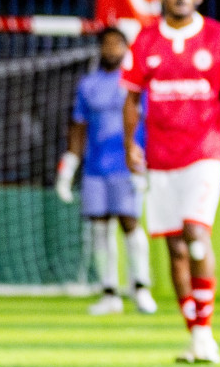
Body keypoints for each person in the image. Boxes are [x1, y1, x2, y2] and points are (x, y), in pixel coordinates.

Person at [121, 0, 220, 364]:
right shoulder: (146, 41)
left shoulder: (219, 38)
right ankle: (195, 333)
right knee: (175, 251)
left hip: (205, 153)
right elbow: (131, 99)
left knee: (196, 236)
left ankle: (204, 331)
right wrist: (132, 143)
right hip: (160, 159)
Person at [56, 27, 157, 316]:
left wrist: (146, 164)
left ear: (127, 48)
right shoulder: (88, 85)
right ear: (100, 48)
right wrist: (69, 165)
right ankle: (109, 291)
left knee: (130, 224)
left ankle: (140, 287)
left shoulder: (135, 84)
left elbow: (149, 124)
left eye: (118, 43)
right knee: (99, 227)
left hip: (127, 166)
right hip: (95, 168)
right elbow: (78, 125)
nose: (112, 49)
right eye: (107, 44)